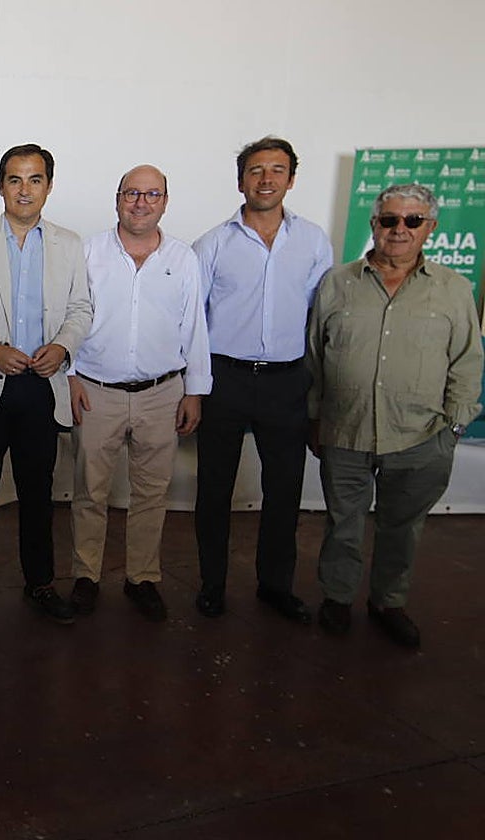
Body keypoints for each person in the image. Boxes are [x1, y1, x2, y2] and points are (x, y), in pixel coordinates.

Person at [306, 183, 483, 647]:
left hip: (421, 436)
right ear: (374, 224)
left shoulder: (453, 289)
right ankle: (337, 597)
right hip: (345, 430)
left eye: (412, 220)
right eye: (389, 219)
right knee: (342, 523)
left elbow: (467, 361)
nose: (399, 229)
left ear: (430, 228)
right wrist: (315, 417)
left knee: (402, 528)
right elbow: (315, 355)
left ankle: (388, 601)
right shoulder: (337, 282)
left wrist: (454, 425)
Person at [0, 143, 93, 629]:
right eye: (14, 179)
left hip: (42, 386)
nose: (24, 190)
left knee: (37, 493)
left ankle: (40, 583)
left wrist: (63, 346)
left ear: (49, 186)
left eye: (34, 179)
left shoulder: (69, 244)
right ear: (1, 186)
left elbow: (81, 308)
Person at [191, 136, 333, 622]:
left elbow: (319, 318)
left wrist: (316, 392)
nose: (266, 179)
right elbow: (192, 322)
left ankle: (275, 585)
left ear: (291, 180)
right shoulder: (212, 243)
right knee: (214, 489)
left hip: (286, 382)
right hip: (224, 378)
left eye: (277, 170)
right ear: (240, 181)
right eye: (255, 170)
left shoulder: (313, 241)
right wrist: (194, 388)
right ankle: (212, 585)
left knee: (284, 489)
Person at [69, 165, 211, 622]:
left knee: (152, 493)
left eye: (152, 194)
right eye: (132, 193)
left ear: (165, 202)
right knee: (90, 491)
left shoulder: (183, 258)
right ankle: (86, 576)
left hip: (161, 393)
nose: (141, 203)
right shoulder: (88, 253)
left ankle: (142, 578)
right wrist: (69, 376)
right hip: (96, 391)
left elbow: (195, 328)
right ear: (117, 198)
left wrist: (195, 391)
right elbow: (69, 317)